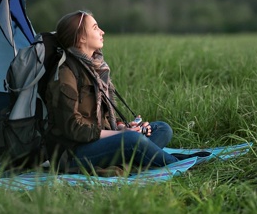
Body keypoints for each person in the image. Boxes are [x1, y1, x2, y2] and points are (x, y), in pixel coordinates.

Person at [44, 10, 184, 173]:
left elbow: (101, 116)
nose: (102, 32)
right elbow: (73, 129)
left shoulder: (95, 68)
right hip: (74, 153)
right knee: (132, 140)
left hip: (97, 141)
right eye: (95, 28)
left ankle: (134, 157)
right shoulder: (65, 75)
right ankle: (178, 164)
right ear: (81, 38)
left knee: (162, 129)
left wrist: (121, 127)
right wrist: (120, 135)